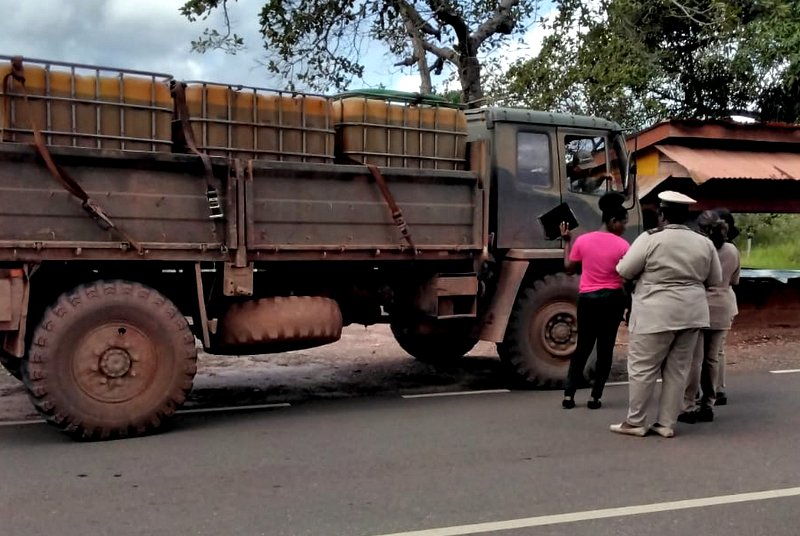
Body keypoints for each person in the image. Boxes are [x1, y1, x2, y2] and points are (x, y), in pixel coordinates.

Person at [610, 191, 722, 438]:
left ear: (662, 214)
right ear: (687, 216)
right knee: (678, 369)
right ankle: (665, 424)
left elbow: (624, 270)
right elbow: (715, 279)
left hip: (654, 312)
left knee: (642, 368)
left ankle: (636, 421)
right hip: (692, 312)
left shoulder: (650, 238)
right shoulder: (703, 242)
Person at [560, 192, 630, 410]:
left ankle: (569, 395)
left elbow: (569, 270)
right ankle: (595, 397)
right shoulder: (623, 246)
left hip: (588, 300)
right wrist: (629, 305)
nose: (624, 228)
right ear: (612, 221)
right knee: (605, 348)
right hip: (613, 300)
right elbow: (627, 278)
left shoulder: (582, 241)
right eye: (623, 223)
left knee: (582, 347)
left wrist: (566, 243)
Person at [679, 211, 740, 423]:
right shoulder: (732, 250)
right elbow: (735, 280)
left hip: (700, 306)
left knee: (695, 360)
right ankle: (709, 402)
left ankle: (688, 404)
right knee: (712, 358)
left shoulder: (699, 248)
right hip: (724, 306)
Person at [713, 208, 740, 405]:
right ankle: (718, 389)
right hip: (726, 301)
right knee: (718, 350)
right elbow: (735, 280)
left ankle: (700, 392)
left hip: (704, 303)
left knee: (699, 353)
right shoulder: (733, 250)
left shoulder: (704, 248)